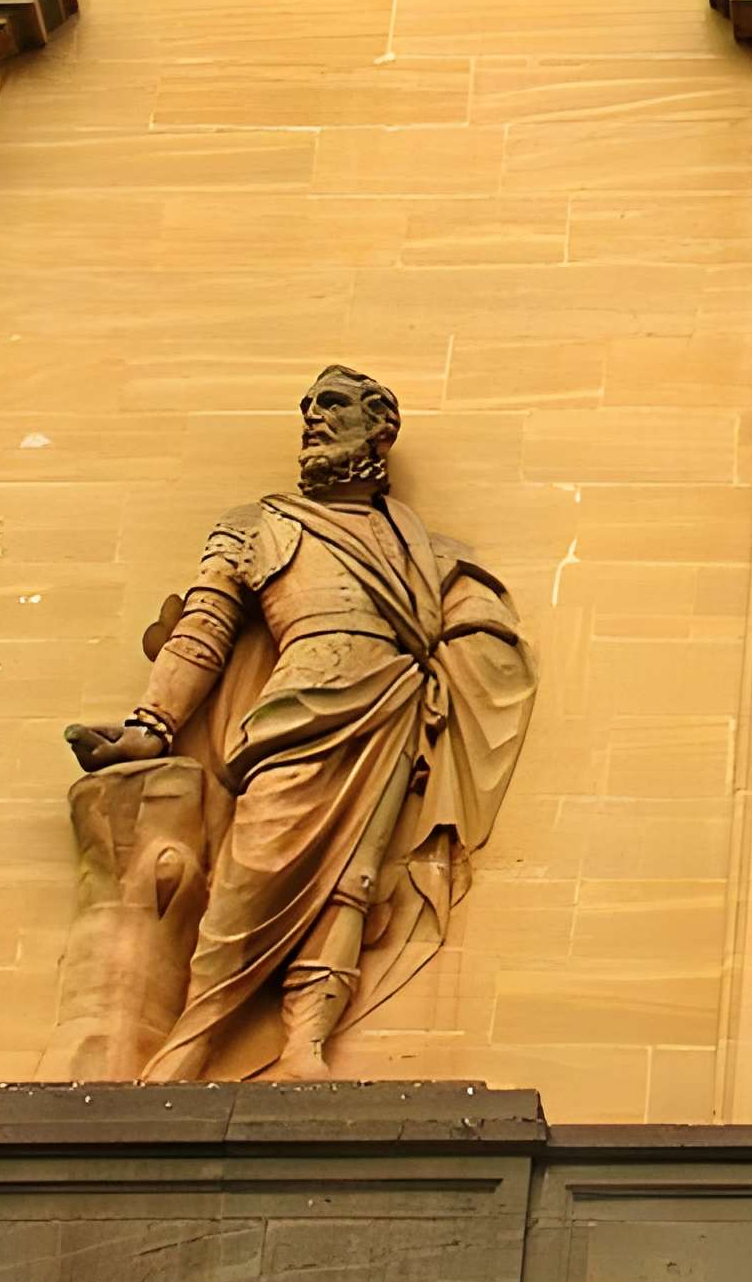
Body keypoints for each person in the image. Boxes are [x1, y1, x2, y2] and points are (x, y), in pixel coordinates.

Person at [66, 368, 536, 1081]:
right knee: (247, 878)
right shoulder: (255, 527)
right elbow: (203, 631)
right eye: (309, 406)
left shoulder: (421, 548)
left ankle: (303, 1046)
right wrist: (151, 727)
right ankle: (192, 1042)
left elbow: (471, 619)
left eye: (334, 404)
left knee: (355, 881)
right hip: (294, 715)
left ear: (383, 427)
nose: (313, 418)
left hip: (386, 712)